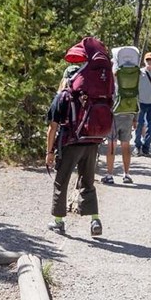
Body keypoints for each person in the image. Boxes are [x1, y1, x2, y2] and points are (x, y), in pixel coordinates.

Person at [45, 37, 110, 237]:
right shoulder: (92, 95)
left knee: (61, 181)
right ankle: (95, 220)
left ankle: (58, 221)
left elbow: (52, 128)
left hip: (70, 143)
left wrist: (49, 152)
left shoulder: (63, 96)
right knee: (88, 181)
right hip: (92, 141)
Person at [105, 46, 141, 185]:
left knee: (112, 145)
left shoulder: (114, 74)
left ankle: (109, 175)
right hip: (129, 111)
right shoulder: (135, 73)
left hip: (114, 112)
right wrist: (136, 117)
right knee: (126, 145)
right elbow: (138, 95)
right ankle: (127, 174)